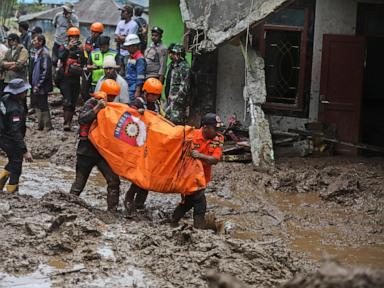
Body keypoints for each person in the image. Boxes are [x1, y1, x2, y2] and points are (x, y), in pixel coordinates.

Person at [69, 80, 121, 212]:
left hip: (102, 152)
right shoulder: (91, 102)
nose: (111, 99)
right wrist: (97, 109)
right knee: (79, 184)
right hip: (86, 150)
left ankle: (112, 211)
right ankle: (68, 206)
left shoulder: (113, 107)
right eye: (109, 96)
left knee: (113, 181)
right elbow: (82, 119)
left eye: (113, 97)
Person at [171, 113, 224, 228]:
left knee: (188, 202)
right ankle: (199, 227)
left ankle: (174, 220)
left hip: (203, 176)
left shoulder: (218, 139)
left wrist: (199, 156)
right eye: (215, 129)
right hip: (188, 176)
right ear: (205, 128)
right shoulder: (191, 135)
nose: (217, 132)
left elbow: (215, 159)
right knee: (200, 201)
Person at [123, 77, 162, 213]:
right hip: (139, 143)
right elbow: (128, 117)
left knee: (149, 174)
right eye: (153, 95)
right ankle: (129, 197)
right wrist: (137, 113)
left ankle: (140, 202)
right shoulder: (137, 103)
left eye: (157, 95)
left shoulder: (156, 105)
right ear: (146, 93)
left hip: (152, 143)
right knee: (141, 174)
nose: (155, 97)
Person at [0, 79, 33, 193]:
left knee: (13, 160)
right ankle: (12, 190)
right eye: (24, 91)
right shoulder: (15, 109)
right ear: (18, 93)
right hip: (9, 139)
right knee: (17, 163)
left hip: (2, 134)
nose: (26, 93)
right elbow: (15, 132)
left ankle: (1, 181)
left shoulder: (4, 99)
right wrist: (25, 151)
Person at [58, 27, 86, 131]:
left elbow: (84, 61)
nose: (74, 39)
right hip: (65, 78)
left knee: (73, 101)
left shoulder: (80, 47)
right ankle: (66, 123)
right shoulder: (64, 46)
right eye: (72, 37)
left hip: (76, 78)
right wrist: (68, 48)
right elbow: (60, 56)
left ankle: (69, 122)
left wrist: (83, 51)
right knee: (67, 101)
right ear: (69, 37)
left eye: (76, 37)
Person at [31, 34, 53, 131]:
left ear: (40, 42)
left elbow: (45, 71)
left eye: (35, 40)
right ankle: (41, 124)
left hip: (42, 85)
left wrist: (39, 84)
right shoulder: (37, 52)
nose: (33, 42)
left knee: (43, 104)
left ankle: (47, 125)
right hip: (37, 83)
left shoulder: (44, 54)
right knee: (38, 103)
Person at [164, 44, 190, 125]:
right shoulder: (173, 65)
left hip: (178, 101)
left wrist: (176, 98)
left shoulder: (184, 67)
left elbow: (184, 86)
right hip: (170, 99)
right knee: (167, 120)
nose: (174, 56)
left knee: (176, 122)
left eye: (177, 54)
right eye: (174, 53)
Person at [52, 3, 79, 67]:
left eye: (67, 11)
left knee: (64, 60)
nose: (65, 12)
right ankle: (55, 73)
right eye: (64, 10)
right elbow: (54, 24)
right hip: (57, 41)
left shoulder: (74, 18)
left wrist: (69, 21)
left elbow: (76, 29)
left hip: (67, 43)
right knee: (54, 60)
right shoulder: (58, 15)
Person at [115, 5, 138, 74]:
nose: (121, 13)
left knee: (130, 71)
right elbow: (116, 37)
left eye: (123, 11)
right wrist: (123, 38)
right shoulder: (120, 23)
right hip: (120, 51)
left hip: (130, 53)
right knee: (120, 72)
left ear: (130, 14)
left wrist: (121, 37)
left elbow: (129, 39)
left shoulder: (134, 24)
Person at [123, 34, 146, 102]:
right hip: (128, 85)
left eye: (129, 46)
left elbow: (140, 76)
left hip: (134, 88)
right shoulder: (131, 56)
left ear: (135, 46)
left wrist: (137, 91)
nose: (127, 49)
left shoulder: (139, 59)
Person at [28, 26, 44, 113]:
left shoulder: (43, 48)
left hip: (38, 71)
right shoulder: (31, 45)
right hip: (31, 69)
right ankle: (32, 105)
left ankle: (37, 106)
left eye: (34, 33)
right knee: (31, 87)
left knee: (38, 88)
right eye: (32, 33)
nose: (32, 35)